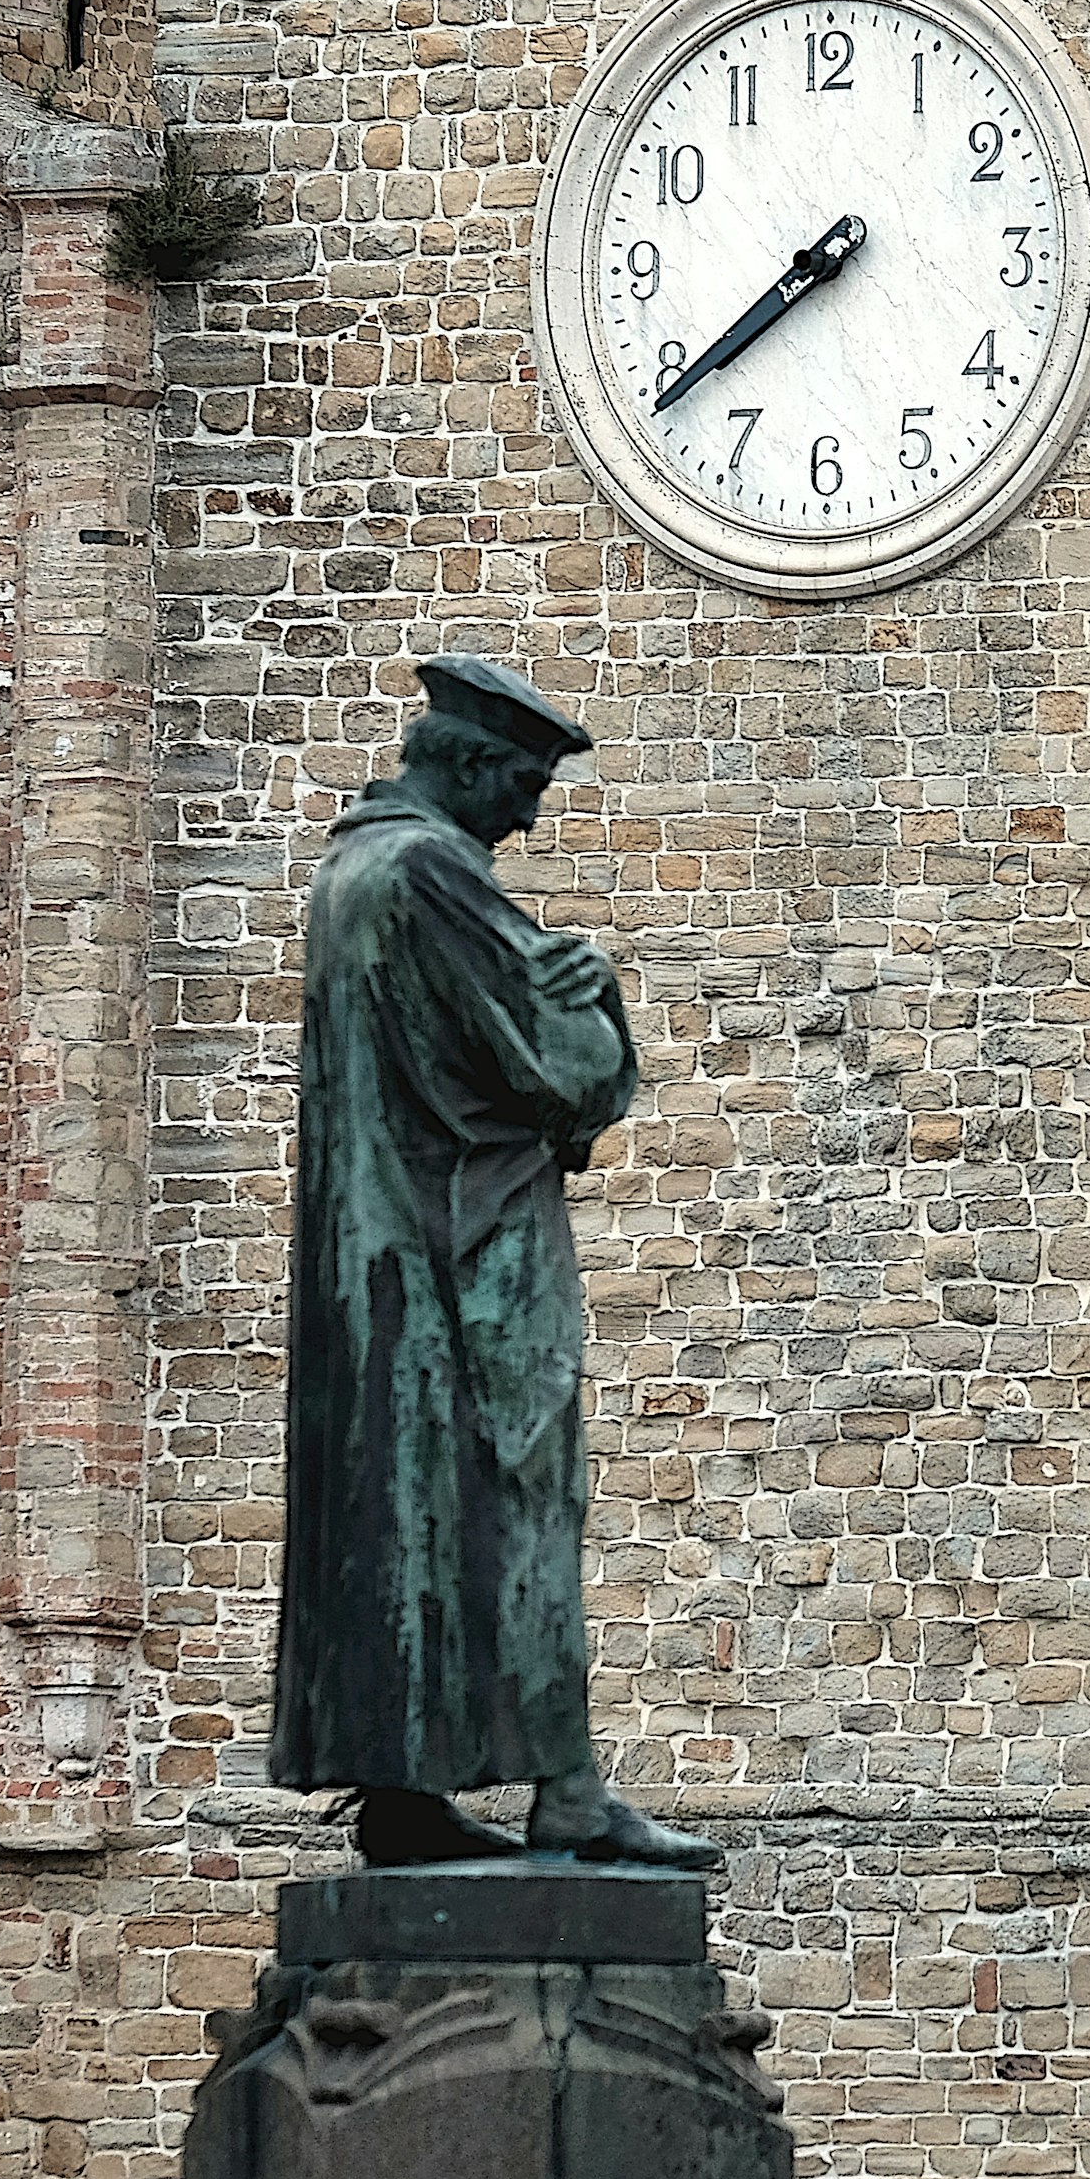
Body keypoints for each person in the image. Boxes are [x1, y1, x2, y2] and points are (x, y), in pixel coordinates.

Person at [271, 654, 715, 1870]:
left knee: (405, 1520)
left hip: (389, 1264)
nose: (526, 813)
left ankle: (405, 1793)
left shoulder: (353, 869)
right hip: (463, 1259)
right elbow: (565, 1064)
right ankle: (567, 1791)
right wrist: (598, 993)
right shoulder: (429, 873)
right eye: (521, 783)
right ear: (466, 765)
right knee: (515, 1500)